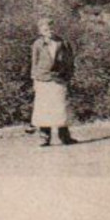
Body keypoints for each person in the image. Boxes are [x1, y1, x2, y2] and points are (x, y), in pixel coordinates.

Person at [30, 18, 76, 146]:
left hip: (59, 79)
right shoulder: (37, 44)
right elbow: (34, 63)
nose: (49, 31)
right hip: (43, 79)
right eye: (45, 29)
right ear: (40, 31)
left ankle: (64, 136)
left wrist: (68, 77)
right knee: (44, 108)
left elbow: (70, 62)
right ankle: (44, 137)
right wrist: (34, 80)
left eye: (51, 28)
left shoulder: (63, 43)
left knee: (61, 108)